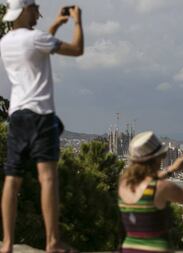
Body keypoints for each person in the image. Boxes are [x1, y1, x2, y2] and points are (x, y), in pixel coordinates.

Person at [0, 0, 84, 252]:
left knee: (12, 180)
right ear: (25, 10)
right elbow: (77, 49)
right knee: (47, 179)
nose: (38, 12)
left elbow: (39, 45)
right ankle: (52, 241)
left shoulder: (5, 42)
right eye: (35, 7)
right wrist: (77, 21)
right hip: (41, 116)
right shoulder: (35, 38)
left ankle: (6, 242)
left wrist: (57, 24)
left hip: (17, 116)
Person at [118, 131, 183, 253]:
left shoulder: (124, 184)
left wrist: (172, 169)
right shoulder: (162, 187)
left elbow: (147, 181)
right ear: (156, 159)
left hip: (129, 249)